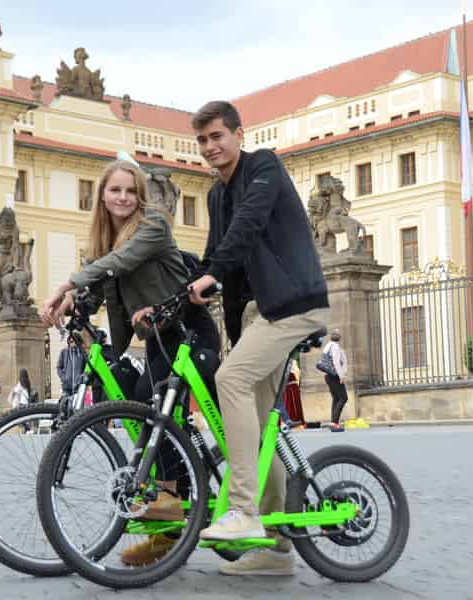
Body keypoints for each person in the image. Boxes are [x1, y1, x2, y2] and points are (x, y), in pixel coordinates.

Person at [39, 158, 220, 566]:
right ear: (102, 195)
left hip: (187, 333)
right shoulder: (106, 239)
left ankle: (172, 525)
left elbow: (119, 263)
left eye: (130, 190)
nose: (123, 197)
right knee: (150, 412)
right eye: (115, 190)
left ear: (139, 195)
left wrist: (68, 282)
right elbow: (103, 284)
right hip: (157, 337)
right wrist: (74, 302)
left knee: (153, 409)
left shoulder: (153, 225)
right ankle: (178, 509)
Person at [187, 101, 329, 576]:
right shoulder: (214, 195)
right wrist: (180, 289)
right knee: (258, 426)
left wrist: (214, 275)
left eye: (217, 136)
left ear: (238, 135)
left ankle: (243, 510)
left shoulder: (263, 166)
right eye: (203, 140)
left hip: (294, 303)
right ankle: (276, 550)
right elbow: (212, 256)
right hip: (260, 314)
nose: (210, 147)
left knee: (230, 380)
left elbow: (249, 226)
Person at [322, 329, 349, 430]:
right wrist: (341, 376)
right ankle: (334, 422)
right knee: (343, 398)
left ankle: (334, 422)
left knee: (336, 398)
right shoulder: (335, 347)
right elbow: (336, 362)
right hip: (335, 375)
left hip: (327, 375)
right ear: (339, 337)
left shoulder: (327, 346)